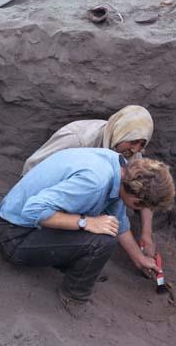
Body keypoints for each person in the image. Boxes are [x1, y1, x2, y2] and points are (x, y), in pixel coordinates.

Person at [0, 147, 175, 317]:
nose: (142, 209)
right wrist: (86, 222)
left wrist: (140, 258)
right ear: (135, 197)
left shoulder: (118, 170)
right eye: (142, 206)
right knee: (102, 240)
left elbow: (118, 222)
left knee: (105, 227)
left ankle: (75, 267)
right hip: (14, 237)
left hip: (23, 223)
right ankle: (74, 297)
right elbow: (33, 210)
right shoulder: (95, 183)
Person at [21, 105, 157, 256]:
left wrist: (146, 234)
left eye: (141, 145)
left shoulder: (131, 156)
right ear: (121, 130)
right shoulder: (77, 139)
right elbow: (32, 167)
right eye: (133, 141)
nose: (135, 149)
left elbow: (145, 191)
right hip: (44, 202)